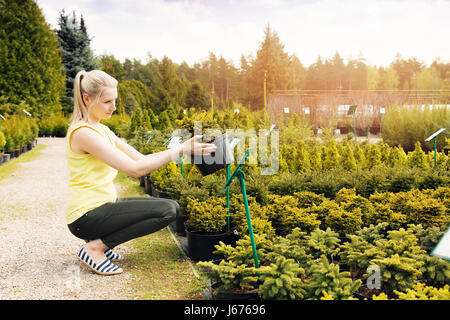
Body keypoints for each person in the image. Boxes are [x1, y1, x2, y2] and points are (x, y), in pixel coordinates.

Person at [66, 70, 216, 275]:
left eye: (115, 100)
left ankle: (99, 243)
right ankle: (96, 247)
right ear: (86, 98)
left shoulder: (102, 129)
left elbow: (141, 159)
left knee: (168, 206)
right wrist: (179, 151)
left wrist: (182, 149)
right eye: (107, 101)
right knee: (167, 210)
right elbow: (136, 170)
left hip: (102, 206)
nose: (114, 107)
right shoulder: (83, 133)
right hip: (86, 216)